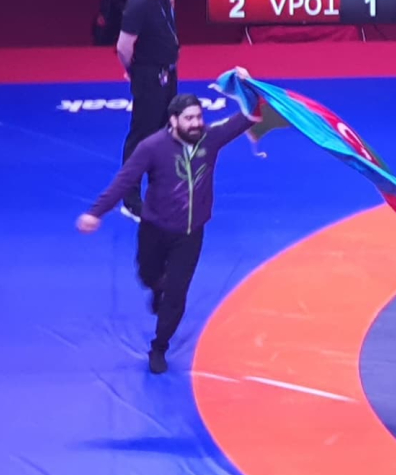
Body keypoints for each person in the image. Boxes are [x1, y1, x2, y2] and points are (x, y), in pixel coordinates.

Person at [76, 82, 261, 374]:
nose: (196, 123)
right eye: (189, 119)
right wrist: (95, 213)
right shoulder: (152, 147)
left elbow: (250, 116)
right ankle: (156, 286)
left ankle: (159, 346)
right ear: (173, 120)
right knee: (147, 275)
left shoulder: (210, 138)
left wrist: (248, 86)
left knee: (177, 294)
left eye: (198, 117)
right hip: (155, 229)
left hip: (190, 234)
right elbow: (124, 181)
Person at [116, 0, 180, 221]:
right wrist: (134, 71)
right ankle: (130, 200)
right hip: (148, 76)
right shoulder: (139, 2)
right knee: (142, 136)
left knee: (168, 133)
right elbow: (123, 46)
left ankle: (161, 192)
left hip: (169, 73)